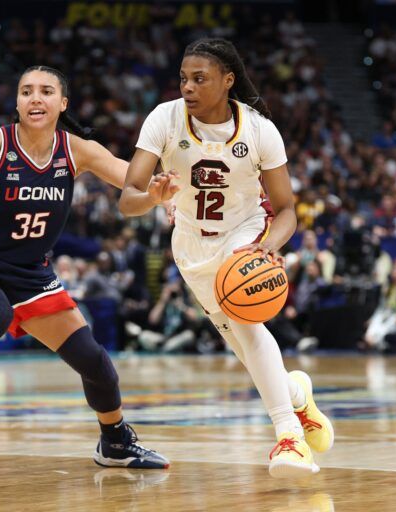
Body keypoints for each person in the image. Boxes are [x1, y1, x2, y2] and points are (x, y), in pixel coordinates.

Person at [0, 66, 169, 469]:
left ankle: (114, 441)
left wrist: (162, 195)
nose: (35, 98)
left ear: (63, 103)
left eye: (45, 91)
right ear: (18, 102)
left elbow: (135, 183)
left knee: (94, 361)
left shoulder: (77, 150)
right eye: (26, 91)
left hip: (29, 272)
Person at [119, 38, 334, 478]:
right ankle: (296, 393)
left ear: (227, 80)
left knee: (246, 326)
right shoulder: (164, 119)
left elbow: (287, 209)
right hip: (191, 246)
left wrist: (268, 247)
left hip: (246, 234)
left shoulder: (259, 130)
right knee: (245, 347)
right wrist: (153, 198)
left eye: (200, 79)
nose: (188, 87)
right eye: (184, 78)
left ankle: (290, 438)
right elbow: (128, 199)